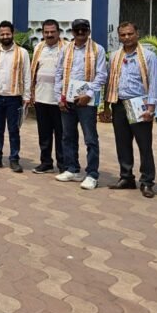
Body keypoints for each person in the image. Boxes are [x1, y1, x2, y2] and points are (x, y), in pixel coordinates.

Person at [106, 21, 157, 198]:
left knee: (144, 145)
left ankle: (147, 181)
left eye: (130, 34)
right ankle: (126, 177)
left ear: (137, 34)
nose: (127, 37)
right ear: (119, 37)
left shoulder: (149, 56)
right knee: (122, 143)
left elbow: (154, 83)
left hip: (139, 104)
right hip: (119, 104)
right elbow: (109, 82)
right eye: (123, 35)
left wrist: (150, 108)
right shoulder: (115, 56)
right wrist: (106, 106)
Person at [54, 18, 108, 190]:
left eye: (83, 29)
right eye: (77, 30)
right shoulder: (65, 49)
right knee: (68, 136)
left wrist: (88, 94)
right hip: (67, 100)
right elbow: (59, 73)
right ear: (72, 32)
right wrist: (59, 98)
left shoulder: (98, 49)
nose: (80, 33)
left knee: (90, 138)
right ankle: (72, 169)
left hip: (87, 102)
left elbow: (101, 75)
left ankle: (92, 174)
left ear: (89, 31)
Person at [0, 21, 31, 172]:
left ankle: (14, 159)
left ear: (12, 34)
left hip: (14, 98)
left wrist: (27, 96)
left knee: (14, 130)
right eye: (2, 34)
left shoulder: (22, 53)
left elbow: (27, 75)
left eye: (7, 34)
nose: (5, 36)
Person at [29, 19, 67, 174]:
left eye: (52, 32)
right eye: (46, 32)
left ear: (59, 32)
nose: (49, 35)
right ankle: (46, 162)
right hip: (41, 97)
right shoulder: (39, 47)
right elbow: (33, 71)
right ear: (42, 33)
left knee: (61, 134)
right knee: (44, 133)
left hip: (59, 100)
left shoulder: (67, 48)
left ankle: (63, 164)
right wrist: (31, 93)